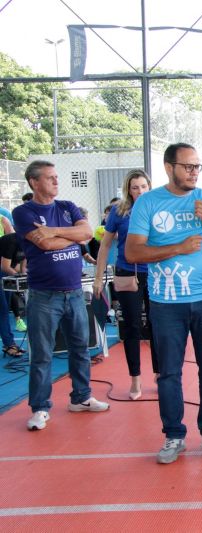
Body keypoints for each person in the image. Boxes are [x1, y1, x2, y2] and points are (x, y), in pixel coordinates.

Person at [126, 143, 202, 464]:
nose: (193, 172)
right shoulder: (147, 203)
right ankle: (174, 436)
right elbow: (133, 252)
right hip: (166, 303)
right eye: (187, 166)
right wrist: (178, 247)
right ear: (168, 167)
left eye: (197, 167)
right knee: (170, 373)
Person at [12, 160, 110, 431]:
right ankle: (40, 408)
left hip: (74, 293)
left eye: (57, 177)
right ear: (34, 182)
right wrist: (71, 236)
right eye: (50, 178)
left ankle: (81, 397)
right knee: (42, 354)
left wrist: (55, 231)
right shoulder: (22, 212)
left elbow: (87, 233)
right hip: (44, 296)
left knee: (80, 349)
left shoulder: (67, 206)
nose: (56, 181)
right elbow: (43, 244)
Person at [93, 170, 158, 400]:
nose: (140, 191)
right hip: (127, 273)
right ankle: (135, 378)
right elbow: (105, 246)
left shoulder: (158, 207)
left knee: (157, 325)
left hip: (156, 274)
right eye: (135, 187)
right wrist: (98, 278)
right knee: (131, 326)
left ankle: (159, 374)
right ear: (128, 190)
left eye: (143, 186)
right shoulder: (119, 212)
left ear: (149, 186)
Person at [0, 232, 25, 357]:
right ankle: (9, 344)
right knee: (3, 310)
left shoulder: (30, 242)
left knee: (5, 307)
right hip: (3, 272)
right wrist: (20, 276)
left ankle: (9, 343)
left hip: (6, 274)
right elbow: (5, 266)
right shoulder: (12, 241)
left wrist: (25, 276)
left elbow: (22, 267)